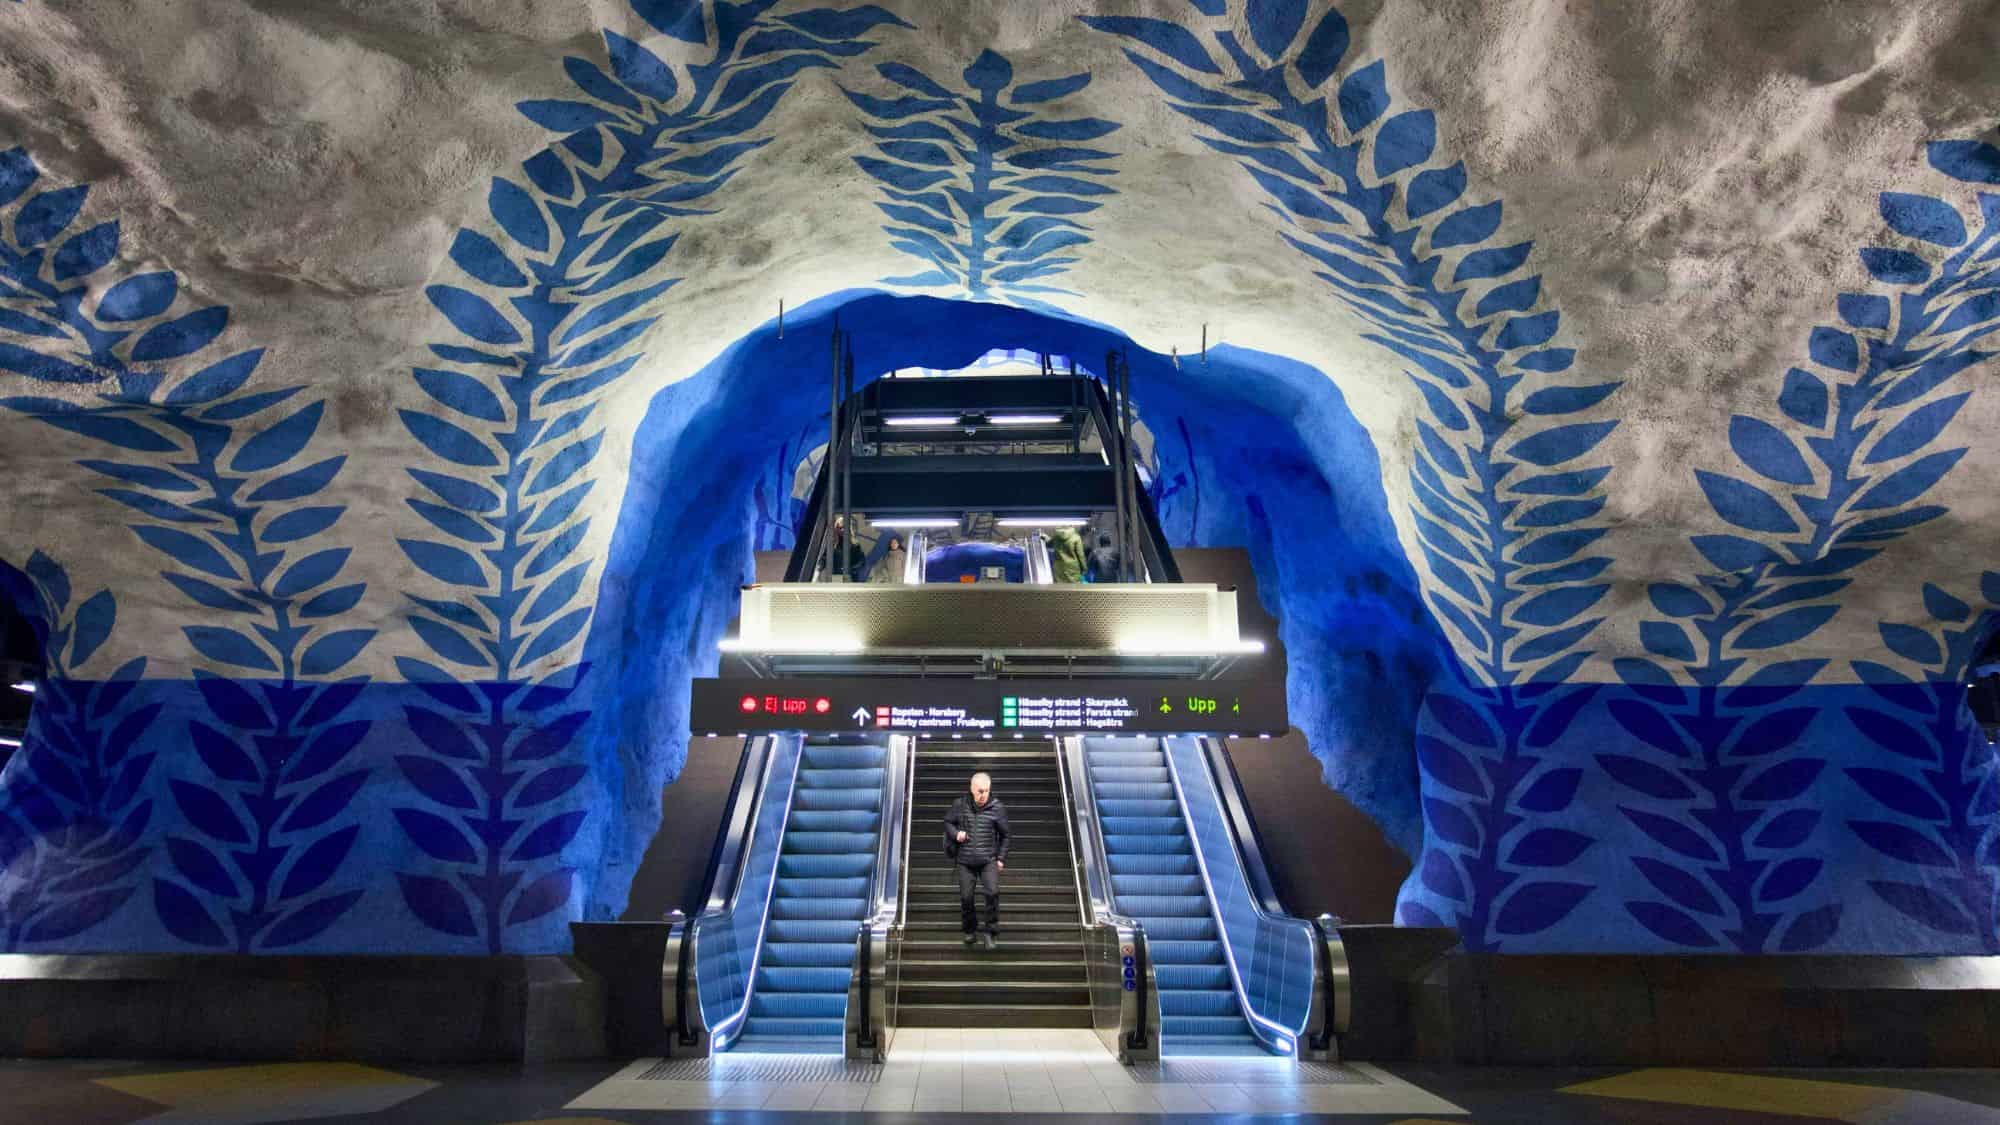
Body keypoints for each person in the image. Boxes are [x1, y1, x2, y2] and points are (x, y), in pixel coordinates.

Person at [944, 770, 1009, 949]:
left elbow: (1006, 835)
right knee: (966, 898)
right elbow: (948, 822)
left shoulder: (997, 807)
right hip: (965, 861)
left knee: (992, 893)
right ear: (972, 789)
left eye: (987, 791)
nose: (984, 795)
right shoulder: (959, 805)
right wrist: (956, 834)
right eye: (980, 791)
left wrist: (1001, 858)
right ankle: (970, 931)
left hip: (988, 860)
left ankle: (990, 932)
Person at [828, 516, 866, 583]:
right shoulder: (832, 546)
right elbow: (824, 558)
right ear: (836, 529)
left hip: (852, 579)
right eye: (840, 528)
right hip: (836, 579)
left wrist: (851, 569)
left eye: (844, 527)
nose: (842, 530)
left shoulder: (855, 545)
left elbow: (862, 562)